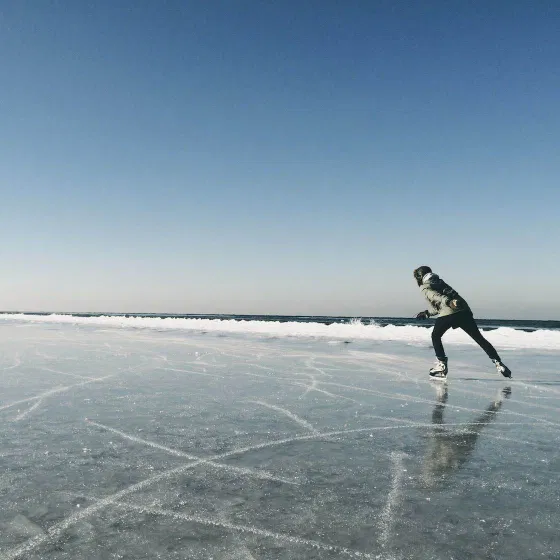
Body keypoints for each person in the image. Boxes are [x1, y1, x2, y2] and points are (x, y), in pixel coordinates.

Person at [413, 265, 511, 378]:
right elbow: (440, 305)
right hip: (464, 311)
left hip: (450, 311)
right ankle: (498, 363)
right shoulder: (440, 282)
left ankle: (441, 365)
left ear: (420, 277)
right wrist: (427, 313)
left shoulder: (425, 287)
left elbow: (437, 297)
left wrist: (449, 302)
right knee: (479, 338)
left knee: (435, 336)